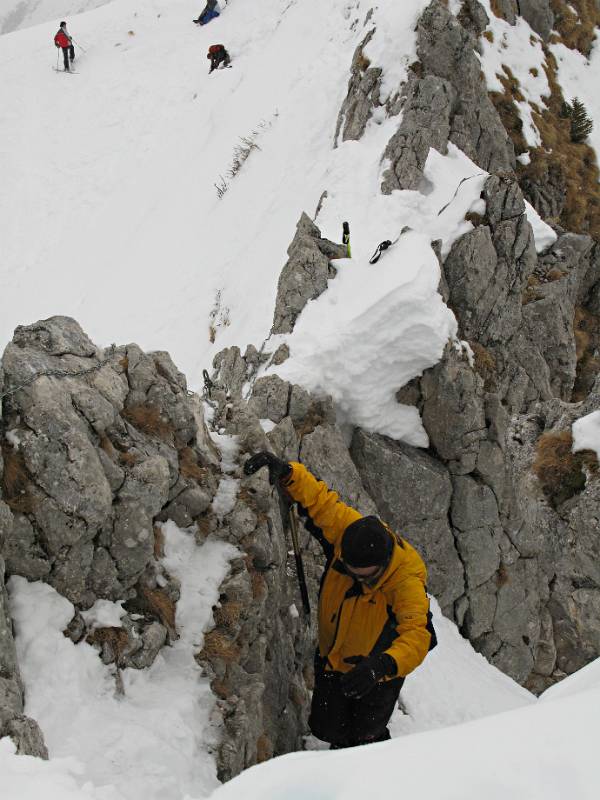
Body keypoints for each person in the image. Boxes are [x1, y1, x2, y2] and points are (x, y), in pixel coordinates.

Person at [243, 452, 436, 749]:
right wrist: (288, 473)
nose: (355, 578)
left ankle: (372, 765)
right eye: (348, 570)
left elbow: (416, 635)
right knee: (329, 725)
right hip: (335, 654)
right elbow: (322, 502)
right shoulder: (350, 531)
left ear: (383, 566)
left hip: (378, 668)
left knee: (366, 730)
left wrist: (381, 666)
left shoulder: (405, 581)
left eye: (363, 576)